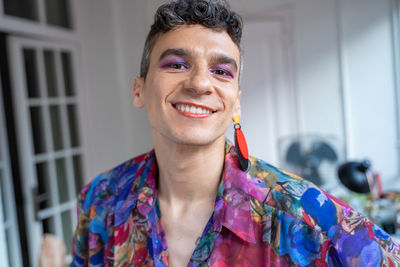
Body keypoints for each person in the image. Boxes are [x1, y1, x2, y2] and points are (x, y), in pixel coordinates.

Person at [71, 0, 400, 266]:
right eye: (176, 64)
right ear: (138, 90)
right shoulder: (101, 200)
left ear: (236, 103)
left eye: (221, 71)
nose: (200, 83)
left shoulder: (300, 213)